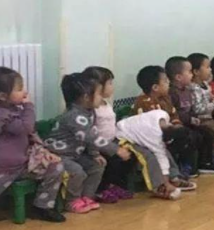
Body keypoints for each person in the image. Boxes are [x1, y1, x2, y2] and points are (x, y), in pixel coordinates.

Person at [46, 73, 132, 214]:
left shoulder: (89, 112)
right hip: (59, 155)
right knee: (77, 172)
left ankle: (87, 197)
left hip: (75, 154)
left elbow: (91, 133)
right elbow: (91, 137)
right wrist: (116, 150)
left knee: (97, 166)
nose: (101, 96)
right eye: (98, 93)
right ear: (86, 97)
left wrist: (94, 153)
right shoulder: (74, 116)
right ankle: (72, 201)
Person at [0, 67, 66, 222]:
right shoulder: (3, 114)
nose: (25, 92)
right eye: (19, 89)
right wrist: (29, 106)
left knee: (55, 167)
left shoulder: (15, 109)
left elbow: (31, 134)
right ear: (2, 96)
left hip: (23, 163)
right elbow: (26, 128)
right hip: (5, 168)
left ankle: (42, 206)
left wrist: (43, 152)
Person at [132, 65, 202, 186]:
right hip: (149, 138)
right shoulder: (143, 103)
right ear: (155, 87)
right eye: (165, 81)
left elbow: (173, 114)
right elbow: (149, 127)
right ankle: (171, 177)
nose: (169, 82)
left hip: (166, 132)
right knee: (167, 147)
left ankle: (184, 168)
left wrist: (177, 125)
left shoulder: (165, 98)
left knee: (188, 134)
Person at [83, 66, 135, 203]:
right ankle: (102, 189)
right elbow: (90, 133)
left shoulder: (106, 103)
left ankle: (116, 186)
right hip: (97, 146)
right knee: (111, 161)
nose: (112, 87)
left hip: (112, 141)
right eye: (110, 83)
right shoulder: (91, 109)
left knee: (130, 156)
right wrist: (96, 152)